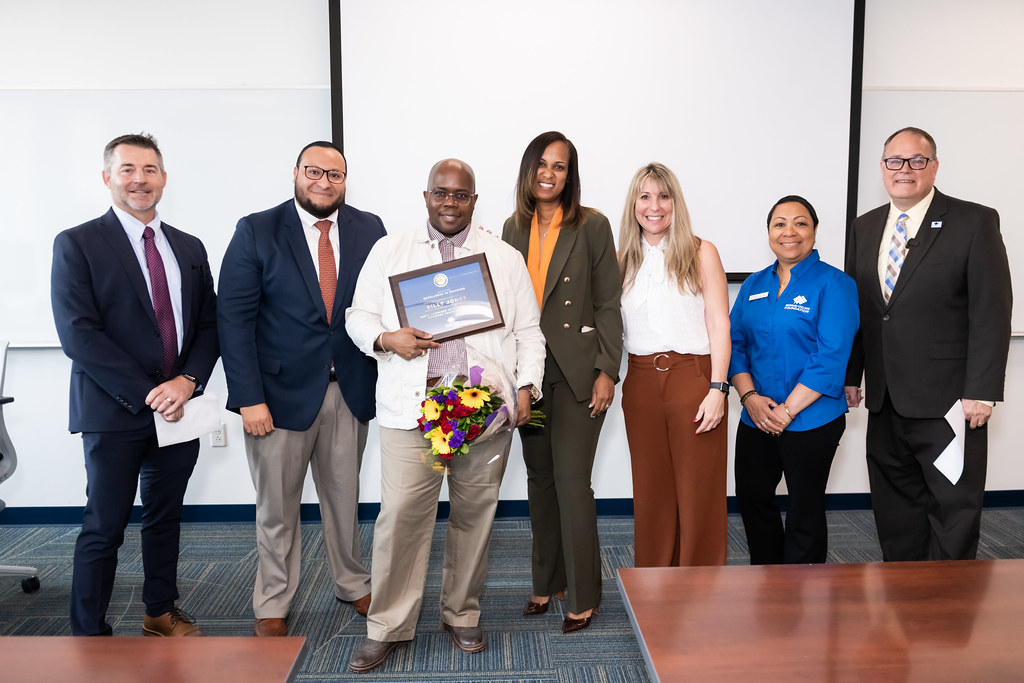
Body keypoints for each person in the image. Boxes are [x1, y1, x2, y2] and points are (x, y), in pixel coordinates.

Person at [345, 159, 544, 673]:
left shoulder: (503, 258)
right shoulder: (390, 250)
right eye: (441, 193)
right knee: (400, 520)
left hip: (483, 410)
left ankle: (462, 613)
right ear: (426, 196)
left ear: (474, 201)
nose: (450, 203)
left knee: (475, 515)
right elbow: (358, 316)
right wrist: (386, 338)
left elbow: (528, 330)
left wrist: (527, 386)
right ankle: (388, 625)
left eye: (460, 195)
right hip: (412, 408)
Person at [51, 133, 219, 636]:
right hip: (113, 408)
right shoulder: (77, 243)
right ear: (108, 177)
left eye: (149, 170)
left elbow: (209, 324)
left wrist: (187, 381)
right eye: (127, 169)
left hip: (179, 408)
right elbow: (79, 334)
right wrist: (151, 393)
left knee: (165, 518)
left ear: (163, 178)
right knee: (104, 526)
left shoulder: (188, 246)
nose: (139, 180)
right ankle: (89, 634)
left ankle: (159, 613)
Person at [218, 141, 385, 637]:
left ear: (345, 181)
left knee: (345, 500)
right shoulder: (256, 230)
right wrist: (249, 398)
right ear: (295, 173)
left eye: (335, 174)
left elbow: (389, 295)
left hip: (348, 390)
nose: (324, 182)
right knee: (277, 509)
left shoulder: (370, 228)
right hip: (276, 398)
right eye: (314, 171)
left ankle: (352, 583)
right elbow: (233, 320)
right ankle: (272, 601)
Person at [845, 127, 1012, 561]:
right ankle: (904, 597)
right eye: (895, 161)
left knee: (952, 511)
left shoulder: (974, 222)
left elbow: (992, 311)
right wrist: (852, 375)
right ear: (882, 168)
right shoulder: (864, 227)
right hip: (885, 401)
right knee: (895, 512)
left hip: (949, 403)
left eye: (917, 160)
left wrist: (982, 392)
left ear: (934, 167)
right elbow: (862, 311)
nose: (905, 169)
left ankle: (950, 601)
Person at [501, 131, 622, 632]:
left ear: (570, 176)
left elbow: (608, 302)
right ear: (528, 169)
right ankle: (546, 581)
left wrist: (607, 370)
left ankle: (583, 593)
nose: (549, 174)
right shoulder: (512, 227)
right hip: (529, 375)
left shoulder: (592, 224)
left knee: (573, 482)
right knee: (541, 479)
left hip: (578, 372)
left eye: (560, 166)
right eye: (542, 164)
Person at [729, 195, 859, 564]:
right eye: (780, 224)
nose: (790, 232)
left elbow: (830, 357)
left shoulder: (836, 284)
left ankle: (805, 588)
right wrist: (750, 398)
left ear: (815, 231)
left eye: (800, 223)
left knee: (805, 506)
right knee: (753, 499)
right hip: (756, 416)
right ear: (768, 232)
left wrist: (787, 411)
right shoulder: (753, 284)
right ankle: (767, 577)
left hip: (812, 418)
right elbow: (735, 346)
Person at [617, 162, 730, 567]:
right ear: (633, 204)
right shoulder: (620, 260)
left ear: (675, 202)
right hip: (641, 383)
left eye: (664, 196)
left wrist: (718, 389)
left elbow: (719, 323)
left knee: (699, 494)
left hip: (693, 380)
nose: (655, 206)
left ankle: (702, 591)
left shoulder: (701, 251)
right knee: (652, 494)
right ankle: (653, 588)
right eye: (645, 196)